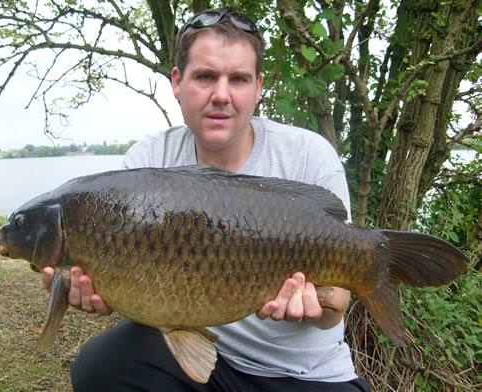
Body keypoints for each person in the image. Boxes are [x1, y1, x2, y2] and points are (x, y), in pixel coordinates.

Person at [43, 7, 369, 392]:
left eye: (239, 79)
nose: (222, 95)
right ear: (177, 82)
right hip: (203, 363)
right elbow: (116, 285)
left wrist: (317, 307)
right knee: (102, 366)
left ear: (258, 87)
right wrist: (86, 290)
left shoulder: (307, 156)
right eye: (206, 76)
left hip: (303, 375)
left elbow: (336, 310)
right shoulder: (147, 165)